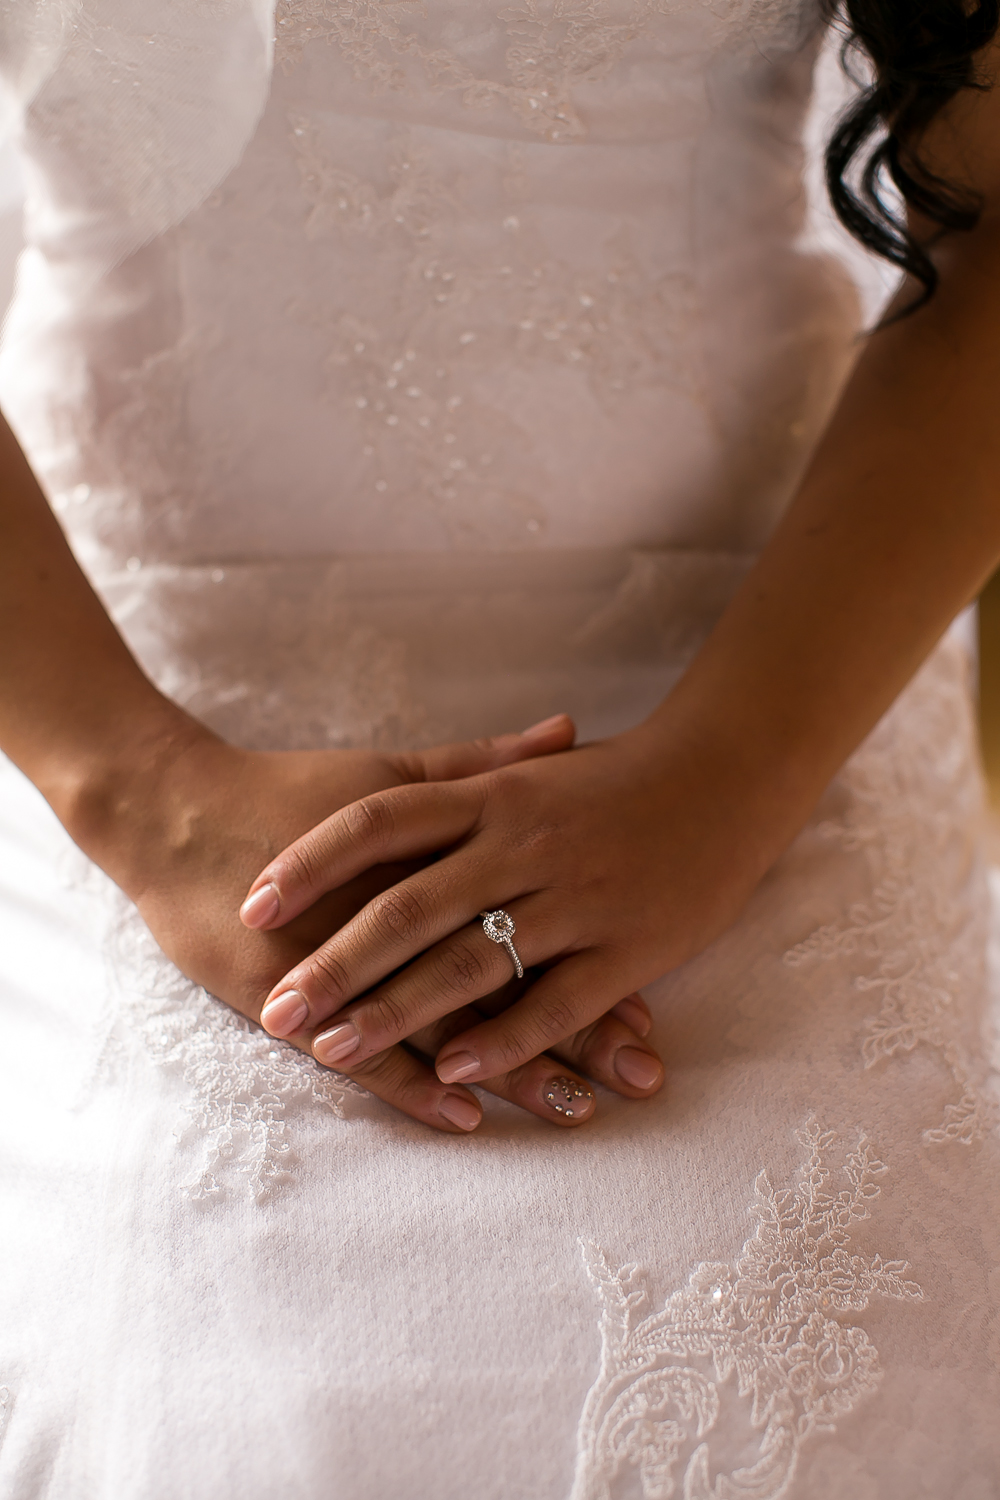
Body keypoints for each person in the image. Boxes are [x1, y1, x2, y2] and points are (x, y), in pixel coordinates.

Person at [0, 1, 998, 1495]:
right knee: (230, 1406)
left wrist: (728, 777)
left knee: (877, 1374)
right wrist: (142, 793)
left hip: (785, 636)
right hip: (133, 685)